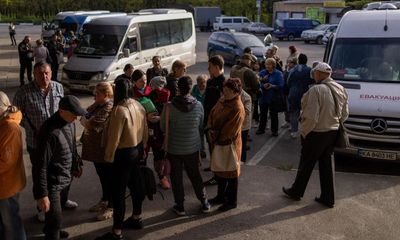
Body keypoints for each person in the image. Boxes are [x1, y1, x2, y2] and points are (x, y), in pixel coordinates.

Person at [13, 62, 78, 222]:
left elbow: (64, 110)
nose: (44, 77)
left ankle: (62, 200)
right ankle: (42, 206)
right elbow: (16, 115)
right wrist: (31, 127)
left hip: (58, 140)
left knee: (62, 171)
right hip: (37, 142)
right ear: (34, 74)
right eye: (40, 74)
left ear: (51, 72)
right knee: (41, 173)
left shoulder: (58, 87)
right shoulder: (24, 92)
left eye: (47, 73)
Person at [282, 62, 349, 208]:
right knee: (327, 165)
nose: (313, 75)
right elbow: (345, 114)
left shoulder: (316, 90)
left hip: (317, 133)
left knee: (306, 163)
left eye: (315, 73)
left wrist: (304, 132)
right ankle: (328, 197)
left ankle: (296, 192)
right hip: (333, 132)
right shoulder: (340, 88)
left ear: (318, 74)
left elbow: (311, 117)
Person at [97, 80, 148, 240]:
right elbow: (145, 129)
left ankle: (117, 232)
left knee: (118, 193)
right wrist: (143, 149)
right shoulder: (138, 104)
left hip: (123, 154)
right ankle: (137, 217)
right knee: (135, 185)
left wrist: (108, 157)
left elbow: (114, 139)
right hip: (137, 149)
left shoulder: (119, 110)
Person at [33, 95, 87, 240]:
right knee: (55, 216)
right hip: (52, 182)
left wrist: (77, 163)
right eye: (74, 114)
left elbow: (72, 146)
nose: (76, 118)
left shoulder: (69, 123)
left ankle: (53, 228)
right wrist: (42, 194)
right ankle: (52, 233)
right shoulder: (48, 131)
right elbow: (40, 165)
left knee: (56, 215)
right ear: (62, 111)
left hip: (64, 176)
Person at [160, 76, 210, 216]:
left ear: (178, 89)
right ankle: (204, 202)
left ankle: (180, 206)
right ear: (190, 88)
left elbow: (163, 127)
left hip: (174, 148)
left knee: (176, 178)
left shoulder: (169, 107)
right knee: (195, 176)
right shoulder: (199, 105)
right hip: (192, 148)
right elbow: (200, 126)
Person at [206, 78, 245, 211]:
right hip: (218, 141)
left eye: (229, 90)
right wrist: (209, 128)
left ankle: (232, 201)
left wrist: (215, 136)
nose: (225, 92)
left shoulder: (237, 107)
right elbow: (212, 113)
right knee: (220, 172)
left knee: (231, 173)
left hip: (229, 144)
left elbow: (231, 130)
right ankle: (220, 196)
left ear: (236, 92)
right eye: (224, 89)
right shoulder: (223, 100)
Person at [80, 82, 114, 221]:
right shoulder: (98, 105)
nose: (94, 97)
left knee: (108, 177)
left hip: (102, 148)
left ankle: (111, 206)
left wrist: (86, 121)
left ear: (105, 95)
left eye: (97, 94)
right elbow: (84, 114)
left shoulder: (108, 106)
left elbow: (92, 123)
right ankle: (104, 200)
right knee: (101, 175)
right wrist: (86, 119)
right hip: (95, 149)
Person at [0, 91, 26, 240]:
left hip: (6, 186)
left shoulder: (9, 127)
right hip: (3, 185)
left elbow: (6, 162)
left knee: (11, 224)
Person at [203, 55, 225, 184]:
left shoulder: (224, 83)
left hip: (216, 122)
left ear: (216, 67)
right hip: (208, 120)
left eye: (210, 66)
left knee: (216, 148)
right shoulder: (210, 82)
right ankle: (213, 166)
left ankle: (218, 176)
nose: (208, 68)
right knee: (211, 146)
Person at [147, 76, 171, 189]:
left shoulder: (150, 97)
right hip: (164, 130)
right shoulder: (167, 96)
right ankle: (163, 177)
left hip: (151, 130)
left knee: (150, 153)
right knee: (162, 153)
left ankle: (154, 178)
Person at [287, 54, 313, 138]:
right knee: (305, 113)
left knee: (294, 113)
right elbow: (312, 81)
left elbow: (288, 81)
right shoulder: (309, 70)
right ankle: (305, 130)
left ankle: (294, 130)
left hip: (293, 93)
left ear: (298, 60)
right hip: (305, 94)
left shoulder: (293, 69)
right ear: (306, 61)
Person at [257, 58, 284, 136]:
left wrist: (272, 86)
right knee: (263, 114)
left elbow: (281, 85)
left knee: (274, 115)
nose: (267, 66)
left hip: (273, 98)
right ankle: (261, 129)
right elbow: (257, 83)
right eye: (266, 64)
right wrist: (263, 85)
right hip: (264, 97)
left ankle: (274, 131)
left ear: (273, 65)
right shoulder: (262, 72)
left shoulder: (278, 73)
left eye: (269, 64)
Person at [192, 74, 208, 158]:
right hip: (197, 115)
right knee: (199, 133)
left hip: (206, 115)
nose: (201, 86)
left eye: (203, 83)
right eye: (199, 84)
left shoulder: (209, 90)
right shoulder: (195, 88)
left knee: (207, 135)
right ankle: (202, 150)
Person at [281, 57, 298, 129]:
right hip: (285, 92)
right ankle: (287, 121)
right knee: (285, 108)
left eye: (290, 62)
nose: (288, 64)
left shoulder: (295, 72)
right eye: (288, 62)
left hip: (292, 93)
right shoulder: (285, 71)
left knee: (291, 109)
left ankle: (292, 124)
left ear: (294, 64)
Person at [240, 89, 252, 163]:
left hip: (244, 125)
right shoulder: (232, 94)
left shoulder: (246, 96)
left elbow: (247, 111)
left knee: (242, 143)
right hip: (236, 124)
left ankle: (242, 161)